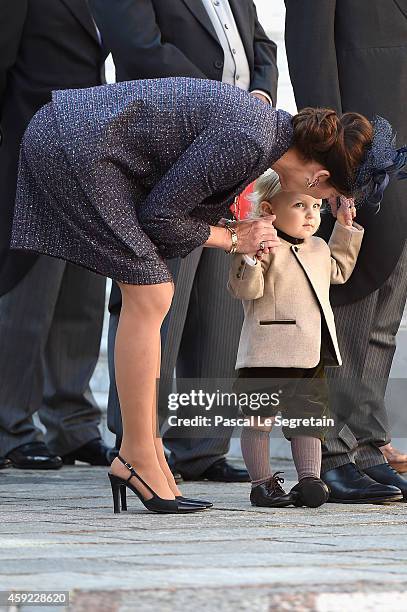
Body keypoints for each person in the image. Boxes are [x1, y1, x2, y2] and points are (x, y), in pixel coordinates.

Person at [9, 78, 390, 513]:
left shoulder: (265, 134)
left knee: (152, 295)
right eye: (328, 196)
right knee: (152, 295)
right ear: (319, 177)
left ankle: (146, 453)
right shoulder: (252, 139)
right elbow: (161, 218)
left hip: (82, 140)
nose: (319, 205)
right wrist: (234, 238)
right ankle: (136, 455)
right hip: (75, 146)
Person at [88, 0, 278, 482]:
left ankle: (202, 446)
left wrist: (258, 96)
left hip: (235, 150)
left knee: (219, 304)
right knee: (157, 301)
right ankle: (138, 443)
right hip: (166, 144)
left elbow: (262, 45)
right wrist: (221, 103)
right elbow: (139, 47)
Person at [285, 0, 407, 501]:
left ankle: (366, 443)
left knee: (385, 306)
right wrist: (333, 157)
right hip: (361, 150)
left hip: (400, 156)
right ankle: (330, 451)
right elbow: (311, 51)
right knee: (348, 297)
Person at [229, 165, 402, 508]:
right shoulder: (264, 246)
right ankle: (262, 485)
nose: (310, 215)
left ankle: (311, 480)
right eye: (299, 206)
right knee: (259, 422)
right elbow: (244, 290)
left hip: (311, 355)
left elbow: (338, 270)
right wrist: (249, 258)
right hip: (268, 353)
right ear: (269, 210)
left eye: (314, 207)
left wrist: (344, 228)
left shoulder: (319, 248)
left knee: (309, 421)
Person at [0, 0, 114, 469]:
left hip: (92, 156)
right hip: (31, 151)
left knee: (81, 298)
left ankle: (73, 424)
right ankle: (10, 426)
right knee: (29, 296)